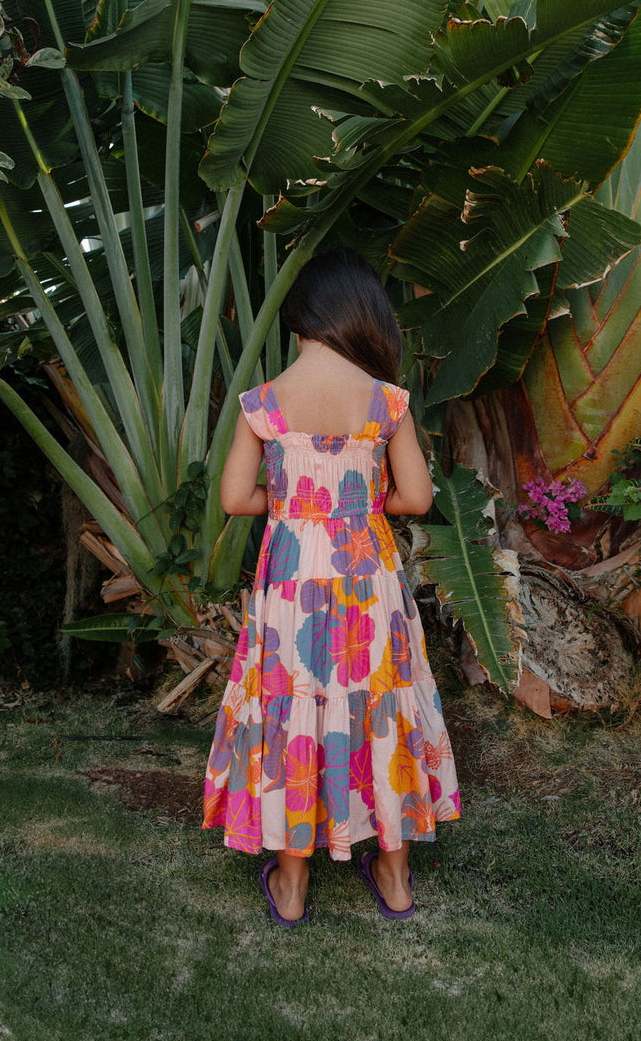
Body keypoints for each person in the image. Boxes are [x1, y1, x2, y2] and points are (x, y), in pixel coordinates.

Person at [202, 247, 460, 925]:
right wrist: (357, 499)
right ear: (360, 315)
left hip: (291, 579)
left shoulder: (263, 402)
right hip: (365, 574)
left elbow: (233, 497)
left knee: (293, 707)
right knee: (378, 702)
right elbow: (416, 496)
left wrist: (293, 501)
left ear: (300, 319)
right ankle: (396, 876)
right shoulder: (387, 401)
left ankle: (290, 886)